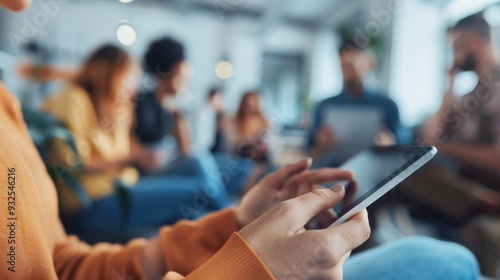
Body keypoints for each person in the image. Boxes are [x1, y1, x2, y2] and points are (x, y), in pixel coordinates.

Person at [0, 1, 480, 279]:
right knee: (446, 260)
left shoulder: (10, 111)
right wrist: (248, 267)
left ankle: (230, 204)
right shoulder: (76, 106)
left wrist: (232, 225)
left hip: (128, 197)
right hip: (112, 192)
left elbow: (61, 264)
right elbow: (95, 162)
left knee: (444, 257)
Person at [42, 45, 231, 235]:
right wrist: (131, 158)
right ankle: (239, 230)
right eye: (129, 77)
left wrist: (140, 155)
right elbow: (73, 163)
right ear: (110, 73)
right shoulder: (74, 99)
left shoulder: (116, 107)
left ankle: (223, 238)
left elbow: (123, 150)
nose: (133, 86)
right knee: (203, 191)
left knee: (196, 165)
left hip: (123, 185)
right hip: (91, 199)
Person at [398, 14, 500, 277]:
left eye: (455, 46)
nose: (452, 54)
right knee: (401, 170)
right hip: (467, 189)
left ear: (473, 44)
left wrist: (450, 150)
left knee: (480, 231)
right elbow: (431, 138)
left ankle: (484, 203)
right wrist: (449, 84)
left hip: (490, 185)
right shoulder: (470, 97)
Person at [308, 40, 401, 164]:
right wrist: (320, 146)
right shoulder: (324, 106)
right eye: (343, 65)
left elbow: (403, 154)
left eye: (352, 64)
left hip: (374, 173)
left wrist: (390, 146)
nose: (346, 68)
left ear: (370, 63)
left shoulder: (389, 106)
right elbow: (309, 156)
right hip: (332, 173)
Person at [229, 91, 271, 163]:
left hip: (259, 154)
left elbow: (267, 138)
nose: (249, 106)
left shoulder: (263, 121)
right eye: (247, 104)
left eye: (252, 103)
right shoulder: (235, 120)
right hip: (242, 152)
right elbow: (233, 141)